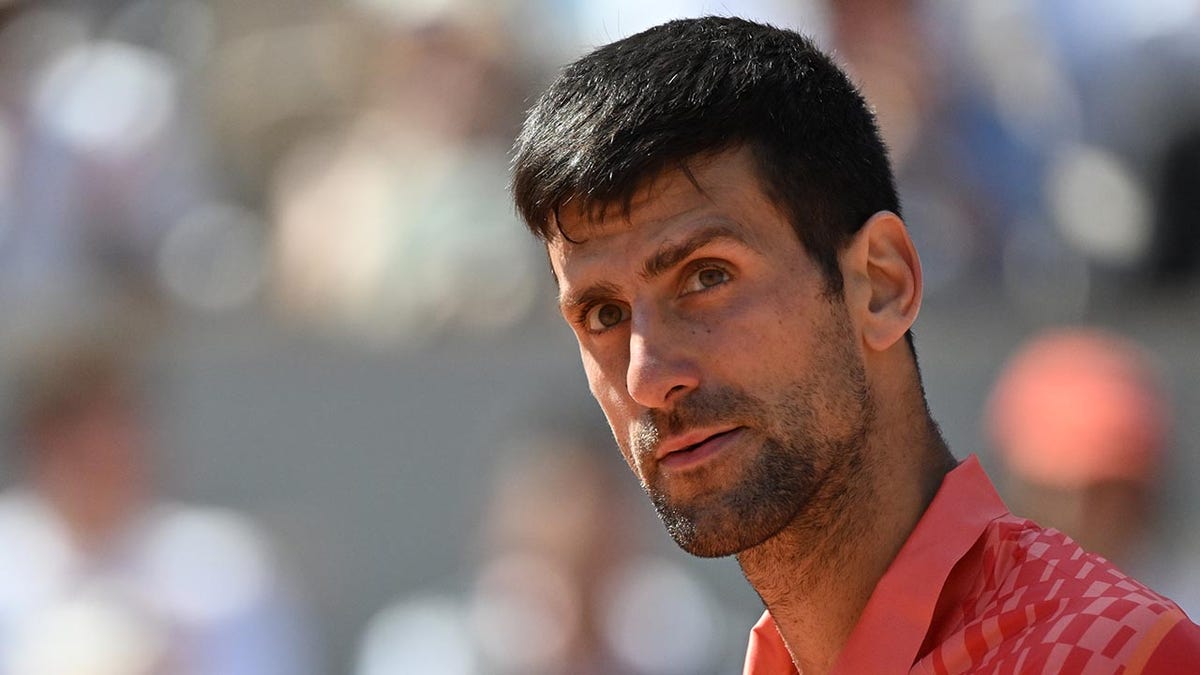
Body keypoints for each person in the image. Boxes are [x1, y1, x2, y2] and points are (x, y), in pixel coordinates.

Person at [508, 16, 1200, 674]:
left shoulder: (1121, 659)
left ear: (880, 283)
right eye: (602, 314)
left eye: (706, 276)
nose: (648, 375)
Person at [0, 335, 316, 675]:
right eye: (75, 440)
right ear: (35, 445)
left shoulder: (224, 566)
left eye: (115, 432)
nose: (100, 456)